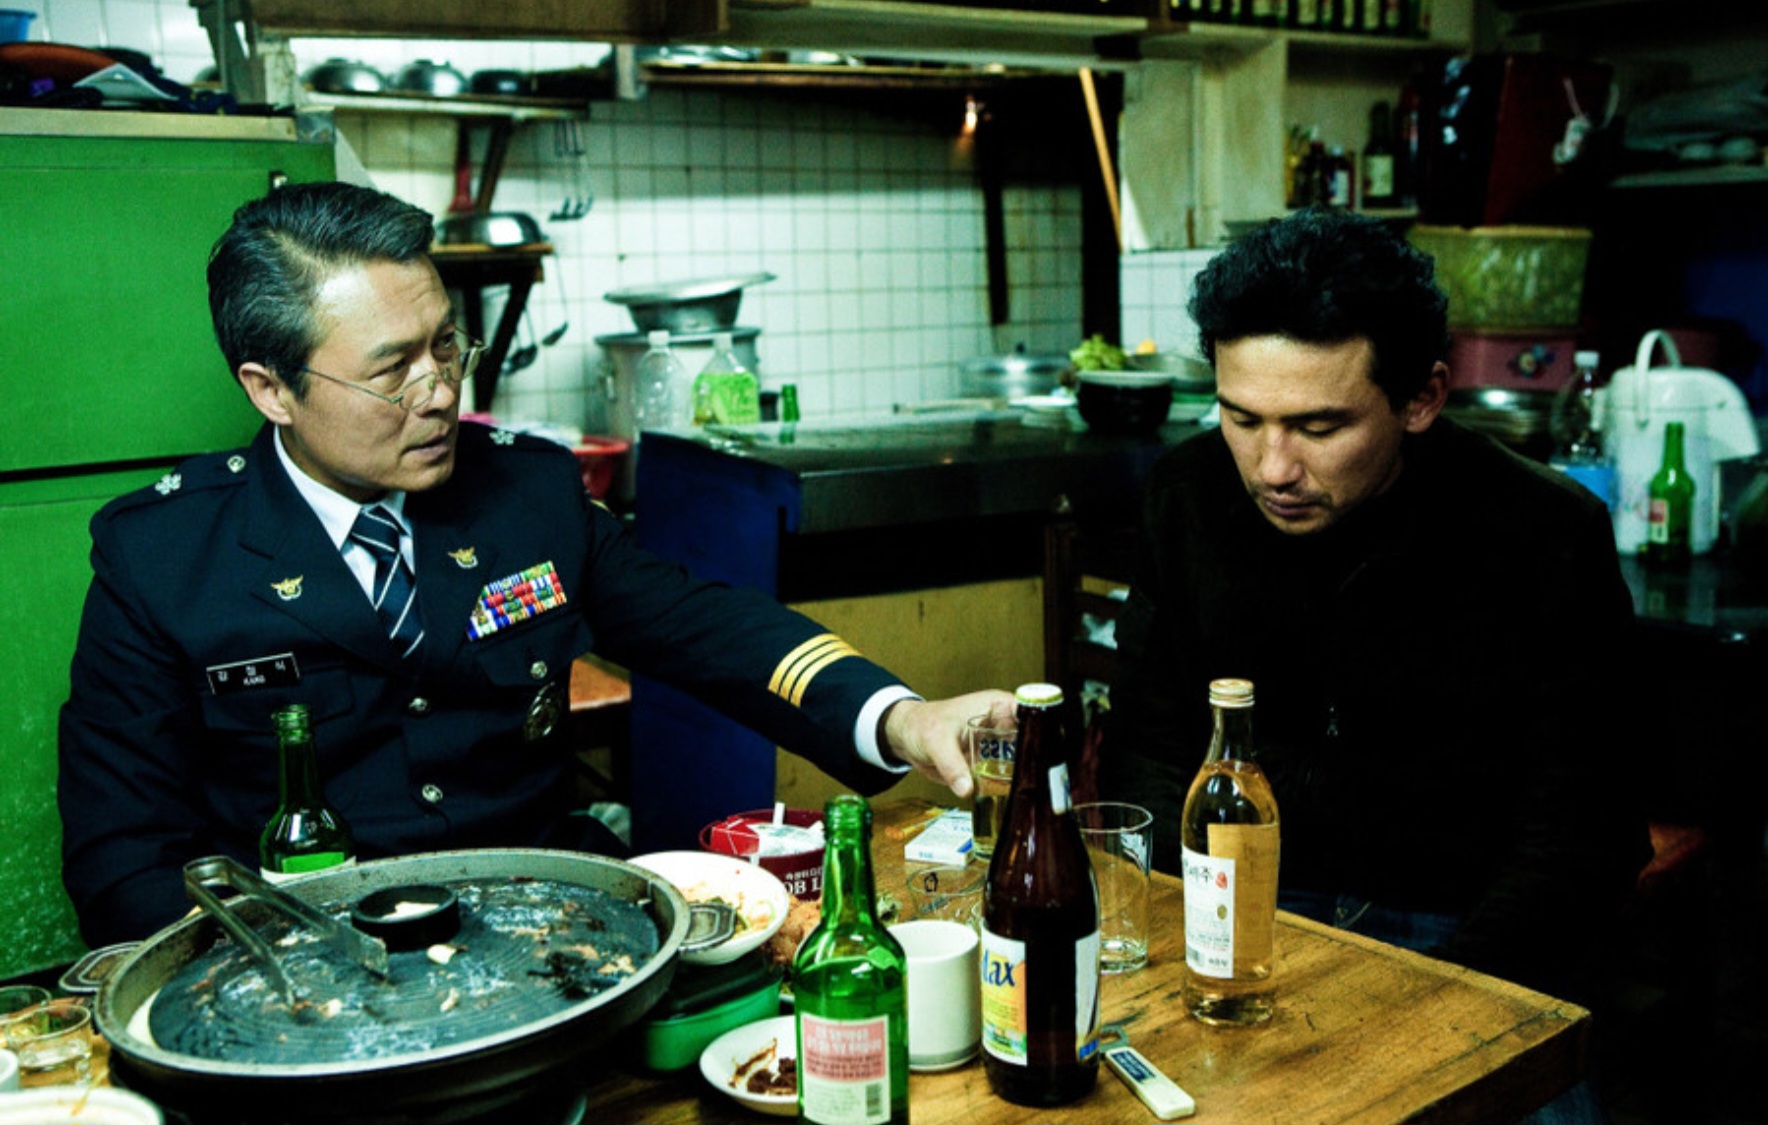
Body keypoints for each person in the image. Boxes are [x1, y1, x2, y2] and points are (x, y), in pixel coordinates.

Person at [58, 181, 1005, 948]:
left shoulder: (526, 492)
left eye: (446, 344)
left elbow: (706, 627)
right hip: (307, 976)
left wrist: (905, 717)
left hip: (554, 938)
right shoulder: (165, 559)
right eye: (392, 371)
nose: (440, 391)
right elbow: (124, 860)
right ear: (272, 389)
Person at [1099, 207, 1649, 1013]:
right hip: (1241, 899)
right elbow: (1147, 742)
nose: (1273, 468)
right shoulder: (1187, 497)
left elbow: (1579, 836)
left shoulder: (1541, 533)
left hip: (1460, 921)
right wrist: (1187, 916)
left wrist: (1438, 1004)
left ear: (1421, 398)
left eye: (1318, 426)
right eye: (1242, 418)